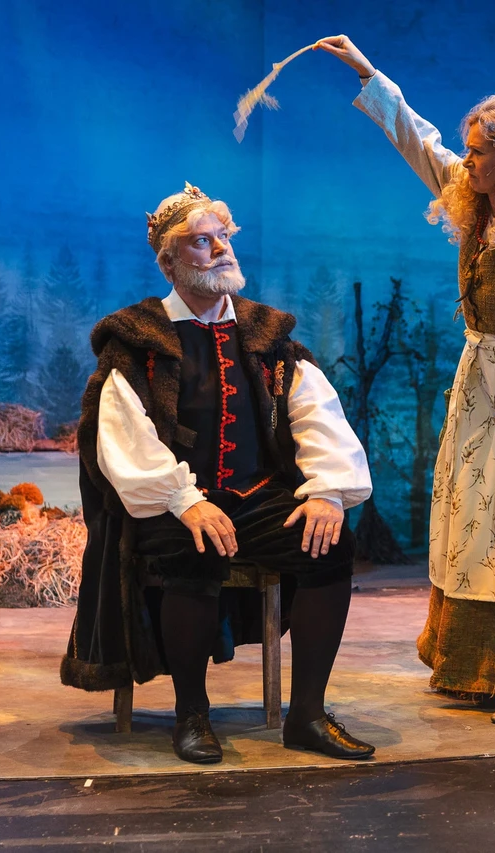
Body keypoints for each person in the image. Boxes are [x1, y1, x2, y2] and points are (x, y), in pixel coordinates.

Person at [317, 35, 495, 724]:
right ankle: (475, 667)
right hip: (482, 383)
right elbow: (423, 144)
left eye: (479, 152)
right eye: (468, 150)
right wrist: (369, 75)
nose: (467, 160)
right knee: (476, 525)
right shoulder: (477, 200)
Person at [60, 182, 376, 763]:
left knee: (329, 545)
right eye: (202, 242)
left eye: (224, 237)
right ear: (170, 262)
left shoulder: (265, 335)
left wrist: (327, 491)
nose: (221, 249)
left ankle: (307, 716)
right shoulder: (139, 341)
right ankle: (192, 715)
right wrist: (185, 500)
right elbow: (123, 436)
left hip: (255, 494)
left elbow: (315, 414)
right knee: (194, 548)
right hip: (172, 501)